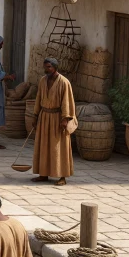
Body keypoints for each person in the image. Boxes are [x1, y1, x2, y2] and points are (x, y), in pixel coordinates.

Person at [31, 57, 76, 186]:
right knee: (43, 145)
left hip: (58, 118)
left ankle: (62, 176)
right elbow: (38, 98)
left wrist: (65, 119)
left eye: (49, 67)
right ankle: (43, 174)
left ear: (55, 67)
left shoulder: (64, 82)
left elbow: (67, 101)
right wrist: (35, 116)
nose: (46, 70)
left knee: (59, 147)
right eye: (45, 67)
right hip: (44, 117)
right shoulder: (42, 81)